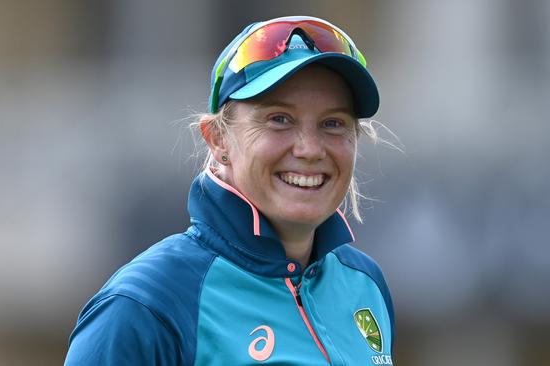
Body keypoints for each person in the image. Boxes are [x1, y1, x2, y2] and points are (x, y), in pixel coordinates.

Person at [65, 15, 394, 365]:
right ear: (218, 138)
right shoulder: (145, 306)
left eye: (333, 123)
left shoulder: (364, 283)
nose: (310, 149)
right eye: (279, 119)